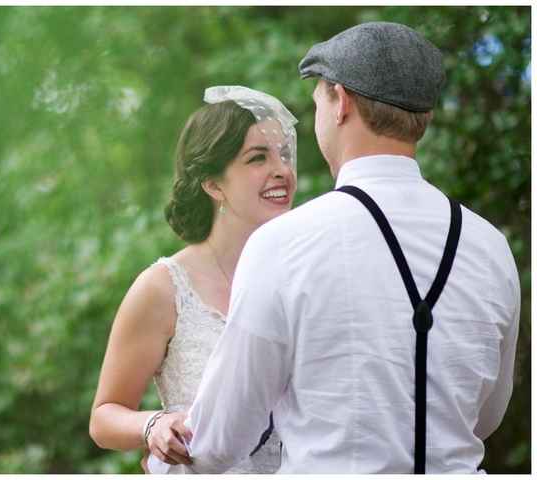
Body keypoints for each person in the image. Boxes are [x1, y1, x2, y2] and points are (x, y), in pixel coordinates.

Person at [177, 22, 520, 474]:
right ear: (424, 116)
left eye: (318, 99)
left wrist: (162, 451)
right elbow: (486, 416)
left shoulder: (283, 244)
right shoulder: (491, 246)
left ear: (341, 102)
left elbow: (218, 442)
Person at [89, 86, 299, 473]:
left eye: (284, 155)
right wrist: (153, 424)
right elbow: (104, 417)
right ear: (213, 184)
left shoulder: (303, 275)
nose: (282, 170)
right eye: (257, 158)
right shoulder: (163, 288)